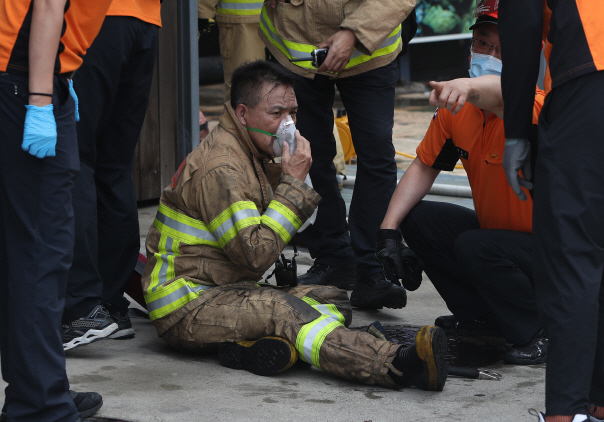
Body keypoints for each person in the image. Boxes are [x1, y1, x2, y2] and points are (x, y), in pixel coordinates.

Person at [141, 60, 449, 392]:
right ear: (242, 114)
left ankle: (249, 346)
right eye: (276, 113)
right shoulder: (223, 167)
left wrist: (288, 178)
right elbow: (255, 257)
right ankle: (397, 364)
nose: (288, 123)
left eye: (293, 112)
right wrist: (292, 186)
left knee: (333, 298)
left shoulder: (248, 151)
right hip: (187, 304)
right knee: (285, 311)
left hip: (225, 288)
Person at [374, 3, 547, 365]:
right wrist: (389, 232)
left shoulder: (537, 107)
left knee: (476, 246)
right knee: (419, 219)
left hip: (553, 256)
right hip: (498, 241)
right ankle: (482, 319)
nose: (490, 55)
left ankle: (541, 331)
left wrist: (466, 85)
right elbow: (424, 166)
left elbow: (501, 96)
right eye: (483, 44)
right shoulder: (457, 113)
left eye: (503, 49)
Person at [498, 0, 604, 421]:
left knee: (572, 260)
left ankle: (566, 414)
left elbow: (522, 29)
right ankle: (603, 409)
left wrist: (517, 131)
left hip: (590, 82)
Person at [259, 0, 415, 310]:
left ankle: (373, 269)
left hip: (371, 50)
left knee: (376, 154)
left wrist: (355, 32)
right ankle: (333, 257)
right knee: (305, 153)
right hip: (295, 48)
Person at [0, 0, 114, 420]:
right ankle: (41, 406)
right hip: (23, 79)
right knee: (40, 251)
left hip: (25, 75)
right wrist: (41, 100)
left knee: (24, 249)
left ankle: (36, 388)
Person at [61, 0, 162, 351]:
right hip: (145, 22)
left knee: (76, 163)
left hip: (92, 22)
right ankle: (111, 306)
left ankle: (83, 309)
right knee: (113, 167)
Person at [198, 0, 265, 101]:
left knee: (285, 89)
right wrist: (203, 15)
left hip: (284, 19)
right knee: (246, 90)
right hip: (242, 24)